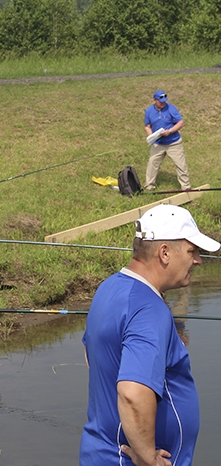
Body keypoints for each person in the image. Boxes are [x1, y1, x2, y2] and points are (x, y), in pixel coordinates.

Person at [79, 204, 220, 466]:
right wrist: (147, 458)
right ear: (164, 252)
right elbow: (133, 393)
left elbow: (93, 356)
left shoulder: (110, 287)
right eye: (192, 251)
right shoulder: (149, 310)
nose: (198, 260)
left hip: (100, 452)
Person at [144, 90, 190, 191]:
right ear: (154, 100)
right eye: (160, 101)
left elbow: (180, 123)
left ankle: (186, 188)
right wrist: (151, 136)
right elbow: (147, 126)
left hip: (173, 143)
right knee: (152, 164)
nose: (163, 103)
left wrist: (170, 131)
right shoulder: (149, 111)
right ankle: (149, 186)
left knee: (181, 165)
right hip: (158, 144)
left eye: (164, 101)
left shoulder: (171, 108)